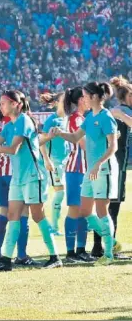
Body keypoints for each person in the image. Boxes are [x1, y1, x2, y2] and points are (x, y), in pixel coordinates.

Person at [0, 90, 62, 271]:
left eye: (3, 103)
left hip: (33, 176)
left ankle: (55, 257)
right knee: (12, 216)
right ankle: (6, 260)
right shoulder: (9, 125)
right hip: (18, 178)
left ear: (16, 104)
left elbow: (13, 149)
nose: (0, 106)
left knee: (38, 216)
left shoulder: (24, 120)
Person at [51, 82, 122, 266]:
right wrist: (60, 133)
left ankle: (108, 254)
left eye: (85, 95)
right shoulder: (90, 117)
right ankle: (112, 243)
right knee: (84, 210)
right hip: (90, 170)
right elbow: (75, 137)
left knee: (101, 211)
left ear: (95, 97)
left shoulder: (106, 117)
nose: (83, 99)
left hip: (103, 169)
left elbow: (113, 146)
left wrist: (99, 163)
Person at [0, 101, 35, 266]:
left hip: (2, 173)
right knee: (23, 215)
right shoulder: (21, 121)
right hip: (18, 174)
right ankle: (21, 254)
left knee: (4, 213)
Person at [92, 76, 132, 259]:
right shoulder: (122, 113)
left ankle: (97, 247)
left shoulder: (112, 112)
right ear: (128, 96)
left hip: (104, 163)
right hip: (116, 165)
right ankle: (108, 248)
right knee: (111, 208)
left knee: (102, 206)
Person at [60, 87, 96, 263]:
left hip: (83, 169)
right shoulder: (77, 119)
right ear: (81, 100)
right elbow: (83, 144)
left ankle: (80, 249)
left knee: (83, 210)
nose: (90, 99)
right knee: (75, 209)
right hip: (76, 169)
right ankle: (71, 252)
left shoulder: (81, 118)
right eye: (87, 97)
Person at [39, 93, 68, 236]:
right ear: (57, 102)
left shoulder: (68, 119)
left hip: (66, 162)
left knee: (66, 193)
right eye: (64, 100)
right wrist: (46, 159)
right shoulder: (51, 119)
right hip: (54, 161)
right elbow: (42, 142)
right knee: (60, 192)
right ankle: (54, 227)